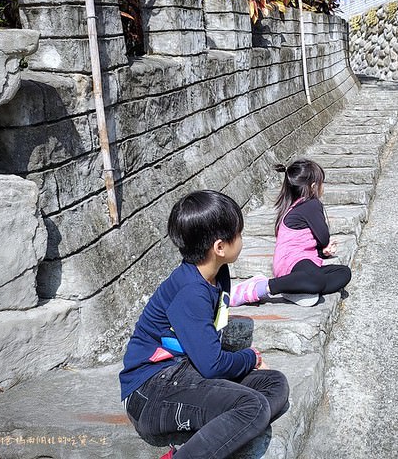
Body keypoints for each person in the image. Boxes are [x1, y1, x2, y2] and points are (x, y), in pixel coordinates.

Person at [119, 190, 289, 459]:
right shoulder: (190, 292)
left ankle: (229, 429)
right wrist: (251, 357)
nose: (242, 239)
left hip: (187, 374)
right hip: (151, 392)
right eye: (240, 234)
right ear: (220, 247)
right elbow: (213, 365)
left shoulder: (218, 273)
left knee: (275, 383)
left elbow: (209, 356)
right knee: (253, 407)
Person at [230, 159, 352, 307]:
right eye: (322, 183)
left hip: (299, 261)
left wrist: (322, 253)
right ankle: (262, 287)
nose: (323, 187)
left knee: (344, 272)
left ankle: (296, 288)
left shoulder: (295, 206)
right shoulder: (311, 204)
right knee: (317, 281)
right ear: (313, 187)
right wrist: (324, 245)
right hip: (292, 262)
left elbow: (304, 243)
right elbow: (323, 237)